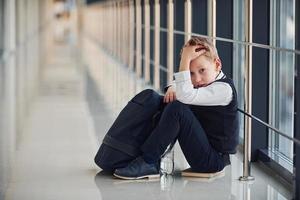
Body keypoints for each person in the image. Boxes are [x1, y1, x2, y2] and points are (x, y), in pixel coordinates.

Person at [107, 36, 239, 180]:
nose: (197, 79)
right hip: (203, 150)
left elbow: (186, 95)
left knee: (177, 108)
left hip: (212, 161)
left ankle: (149, 161)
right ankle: (138, 154)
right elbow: (185, 89)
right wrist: (172, 86)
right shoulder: (205, 83)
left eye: (202, 70)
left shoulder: (224, 90)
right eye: (191, 74)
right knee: (167, 101)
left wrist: (185, 59)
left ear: (217, 64)